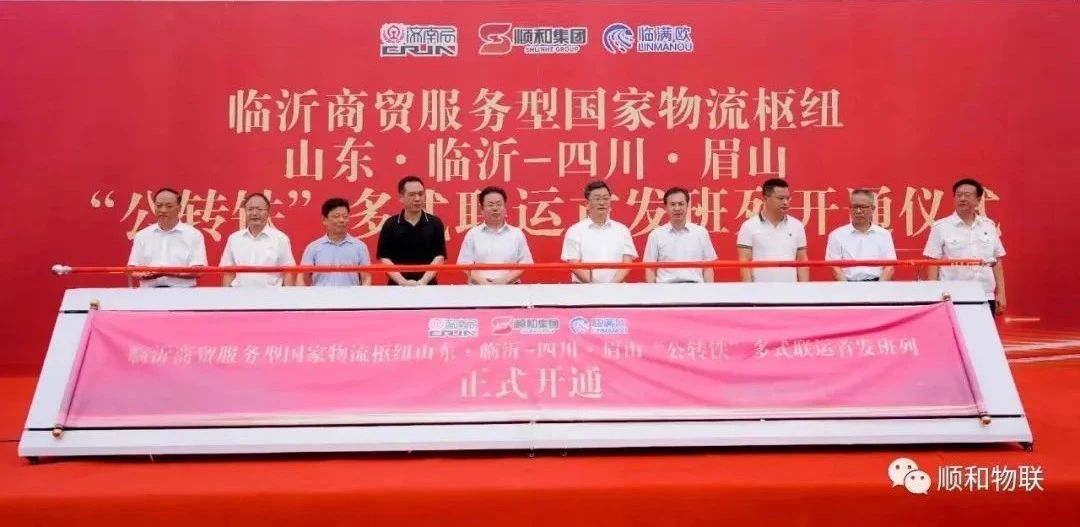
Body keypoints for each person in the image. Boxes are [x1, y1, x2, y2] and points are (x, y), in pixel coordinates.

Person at [923, 178, 1007, 315]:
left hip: (985, 294)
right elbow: (933, 262)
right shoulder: (941, 227)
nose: (962, 199)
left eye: (967, 195)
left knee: (983, 330)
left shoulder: (988, 226)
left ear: (978, 200)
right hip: (953, 295)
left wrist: (1001, 293)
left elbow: (997, 260)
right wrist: (933, 295)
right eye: (958, 195)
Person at [126, 187, 207, 287]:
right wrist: (142, 275)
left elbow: (198, 270)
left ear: (179, 208)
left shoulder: (194, 235)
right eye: (159, 206)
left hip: (182, 292)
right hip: (148, 292)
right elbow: (132, 269)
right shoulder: (142, 235)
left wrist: (168, 273)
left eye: (169, 206)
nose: (163, 210)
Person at [560, 180, 638, 283]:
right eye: (597, 199)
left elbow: (627, 262)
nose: (602, 203)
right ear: (587, 204)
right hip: (584, 288)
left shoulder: (622, 230)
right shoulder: (575, 231)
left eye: (606, 198)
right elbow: (574, 263)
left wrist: (611, 286)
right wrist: (595, 286)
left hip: (616, 288)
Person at [376, 176, 447, 286]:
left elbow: (439, 256)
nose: (417, 198)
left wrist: (422, 282)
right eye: (412, 194)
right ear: (401, 197)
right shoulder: (390, 224)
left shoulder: (435, 223)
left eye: (420, 194)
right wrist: (402, 281)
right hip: (397, 286)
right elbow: (384, 258)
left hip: (428, 286)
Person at [735, 178, 808, 282]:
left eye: (788, 198)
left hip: (790, 289)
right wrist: (749, 290)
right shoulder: (749, 226)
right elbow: (744, 263)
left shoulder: (797, 226)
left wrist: (804, 289)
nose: (785, 202)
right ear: (766, 199)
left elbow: (802, 261)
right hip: (760, 289)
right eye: (780, 198)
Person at [457, 186, 533, 285]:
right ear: (482, 209)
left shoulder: (517, 233)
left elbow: (525, 263)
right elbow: (464, 264)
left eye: (499, 204)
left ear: (505, 208)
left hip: (511, 288)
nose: (495, 208)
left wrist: (504, 280)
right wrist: (483, 282)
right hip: (479, 288)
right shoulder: (473, 234)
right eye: (490, 205)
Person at [643, 186, 717, 283]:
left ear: (687, 205)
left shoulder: (701, 233)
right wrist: (653, 291)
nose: (677, 208)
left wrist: (709, 290)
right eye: (672, 204)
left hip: (695, 287)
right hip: (665, 288)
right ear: (666, 207)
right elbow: (650, 268)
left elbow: (708, 267)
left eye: (681, 204)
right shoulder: (656, 235)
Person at [220, 193, 296, 287]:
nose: (254, 213)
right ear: (245, 212)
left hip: (271, 295)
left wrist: (288, 295)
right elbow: (228, 273)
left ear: (268, 212)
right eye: (250, 209)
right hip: (239, 294)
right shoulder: (234, 239)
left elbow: (288, 273)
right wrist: (227, 295)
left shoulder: (280, 239)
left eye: (259, 209)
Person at [825, 189, 897, 281]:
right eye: (854, 207)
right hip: (847, 284)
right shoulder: (837, 235)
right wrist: (847, 288)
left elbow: (890, 267)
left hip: (877, 283)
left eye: (863, 207)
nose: (858, 211)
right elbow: (835, 267)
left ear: (873, 209)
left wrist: (879, 288)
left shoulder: (884, 235)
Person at [297, 197, 372, 287]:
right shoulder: (314, 247)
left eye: (345, 216)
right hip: (321, 295)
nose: (341, 220)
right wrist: (305, 295)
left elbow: (366, 278)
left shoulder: (359, 247)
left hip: (350, 295)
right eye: (336, 216)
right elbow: (301, 277)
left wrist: (362, 294)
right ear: (324, 220)